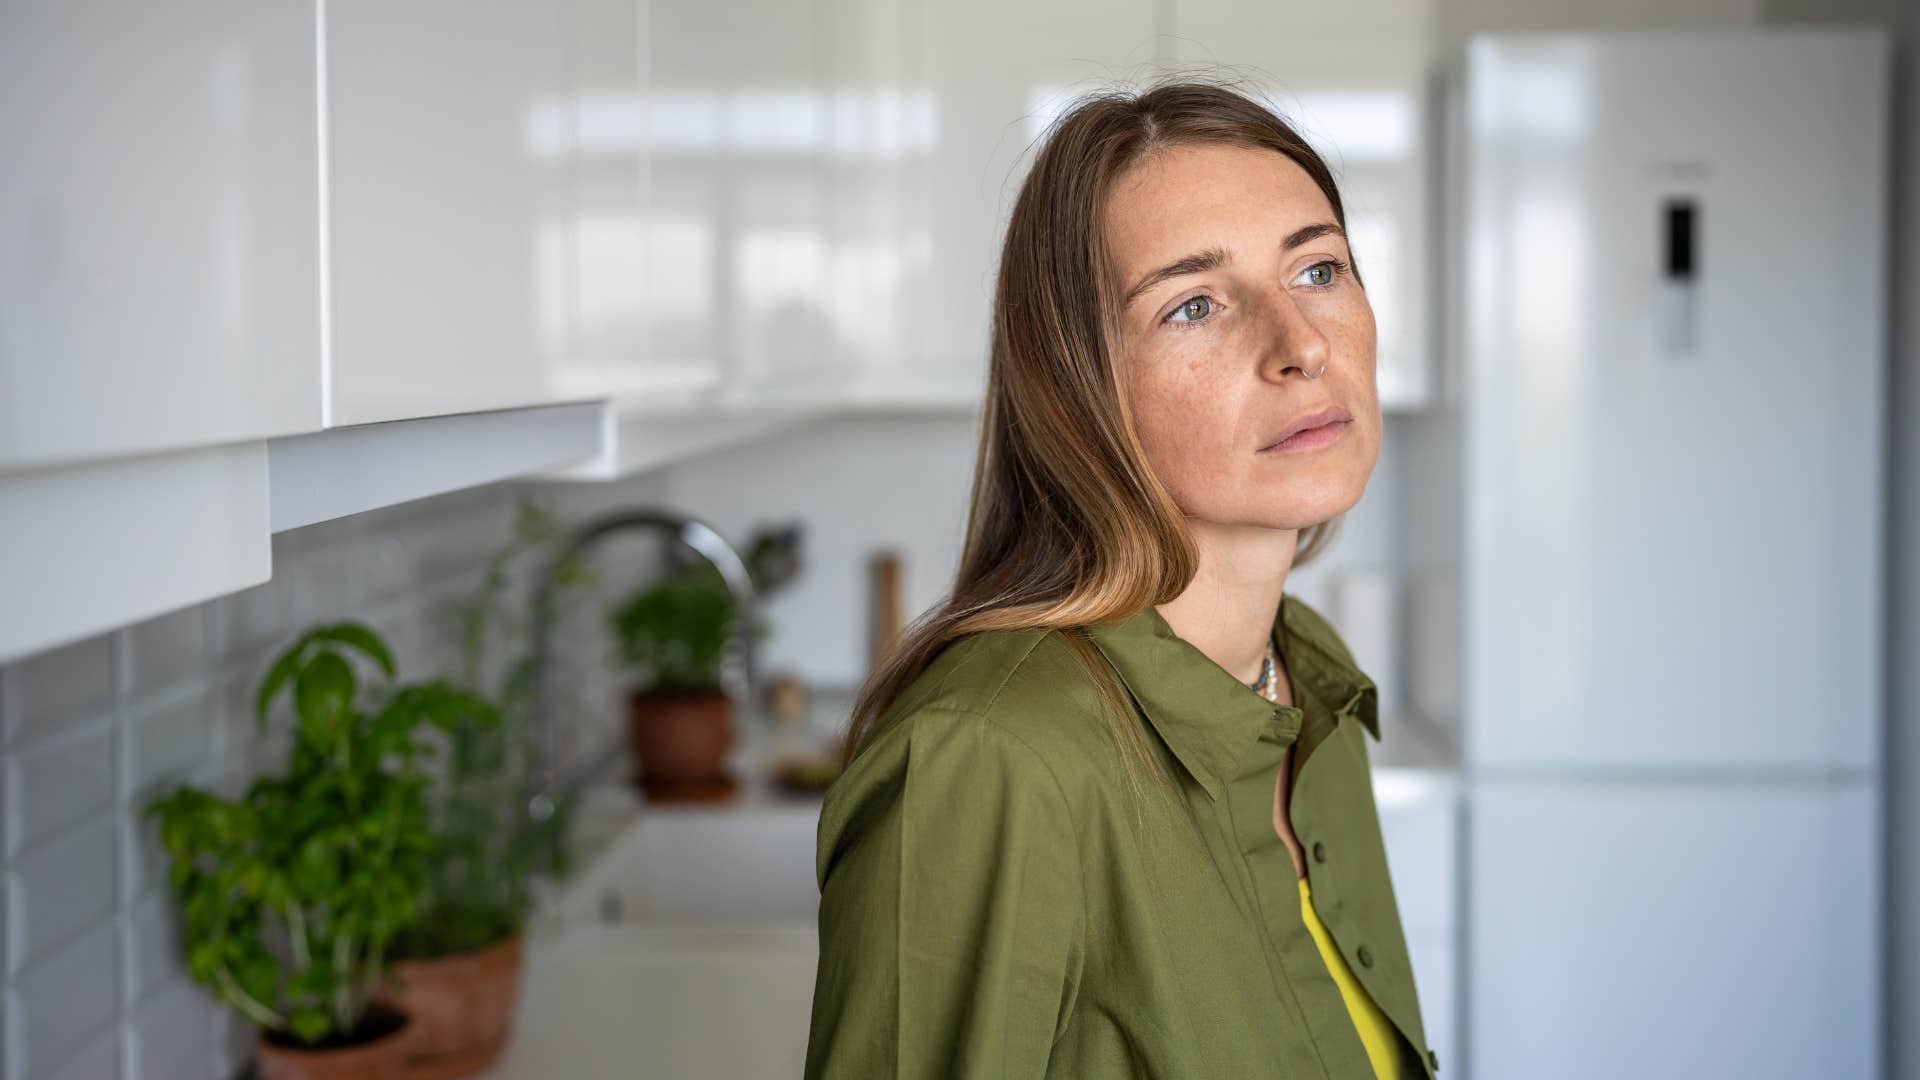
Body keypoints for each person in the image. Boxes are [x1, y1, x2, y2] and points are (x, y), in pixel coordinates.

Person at [803, 74, 1438, 1080]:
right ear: (1078, 389)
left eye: (1318, 269)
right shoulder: (990, 759)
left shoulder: (1308, 677)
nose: (1303, 346)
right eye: (1195, 305)